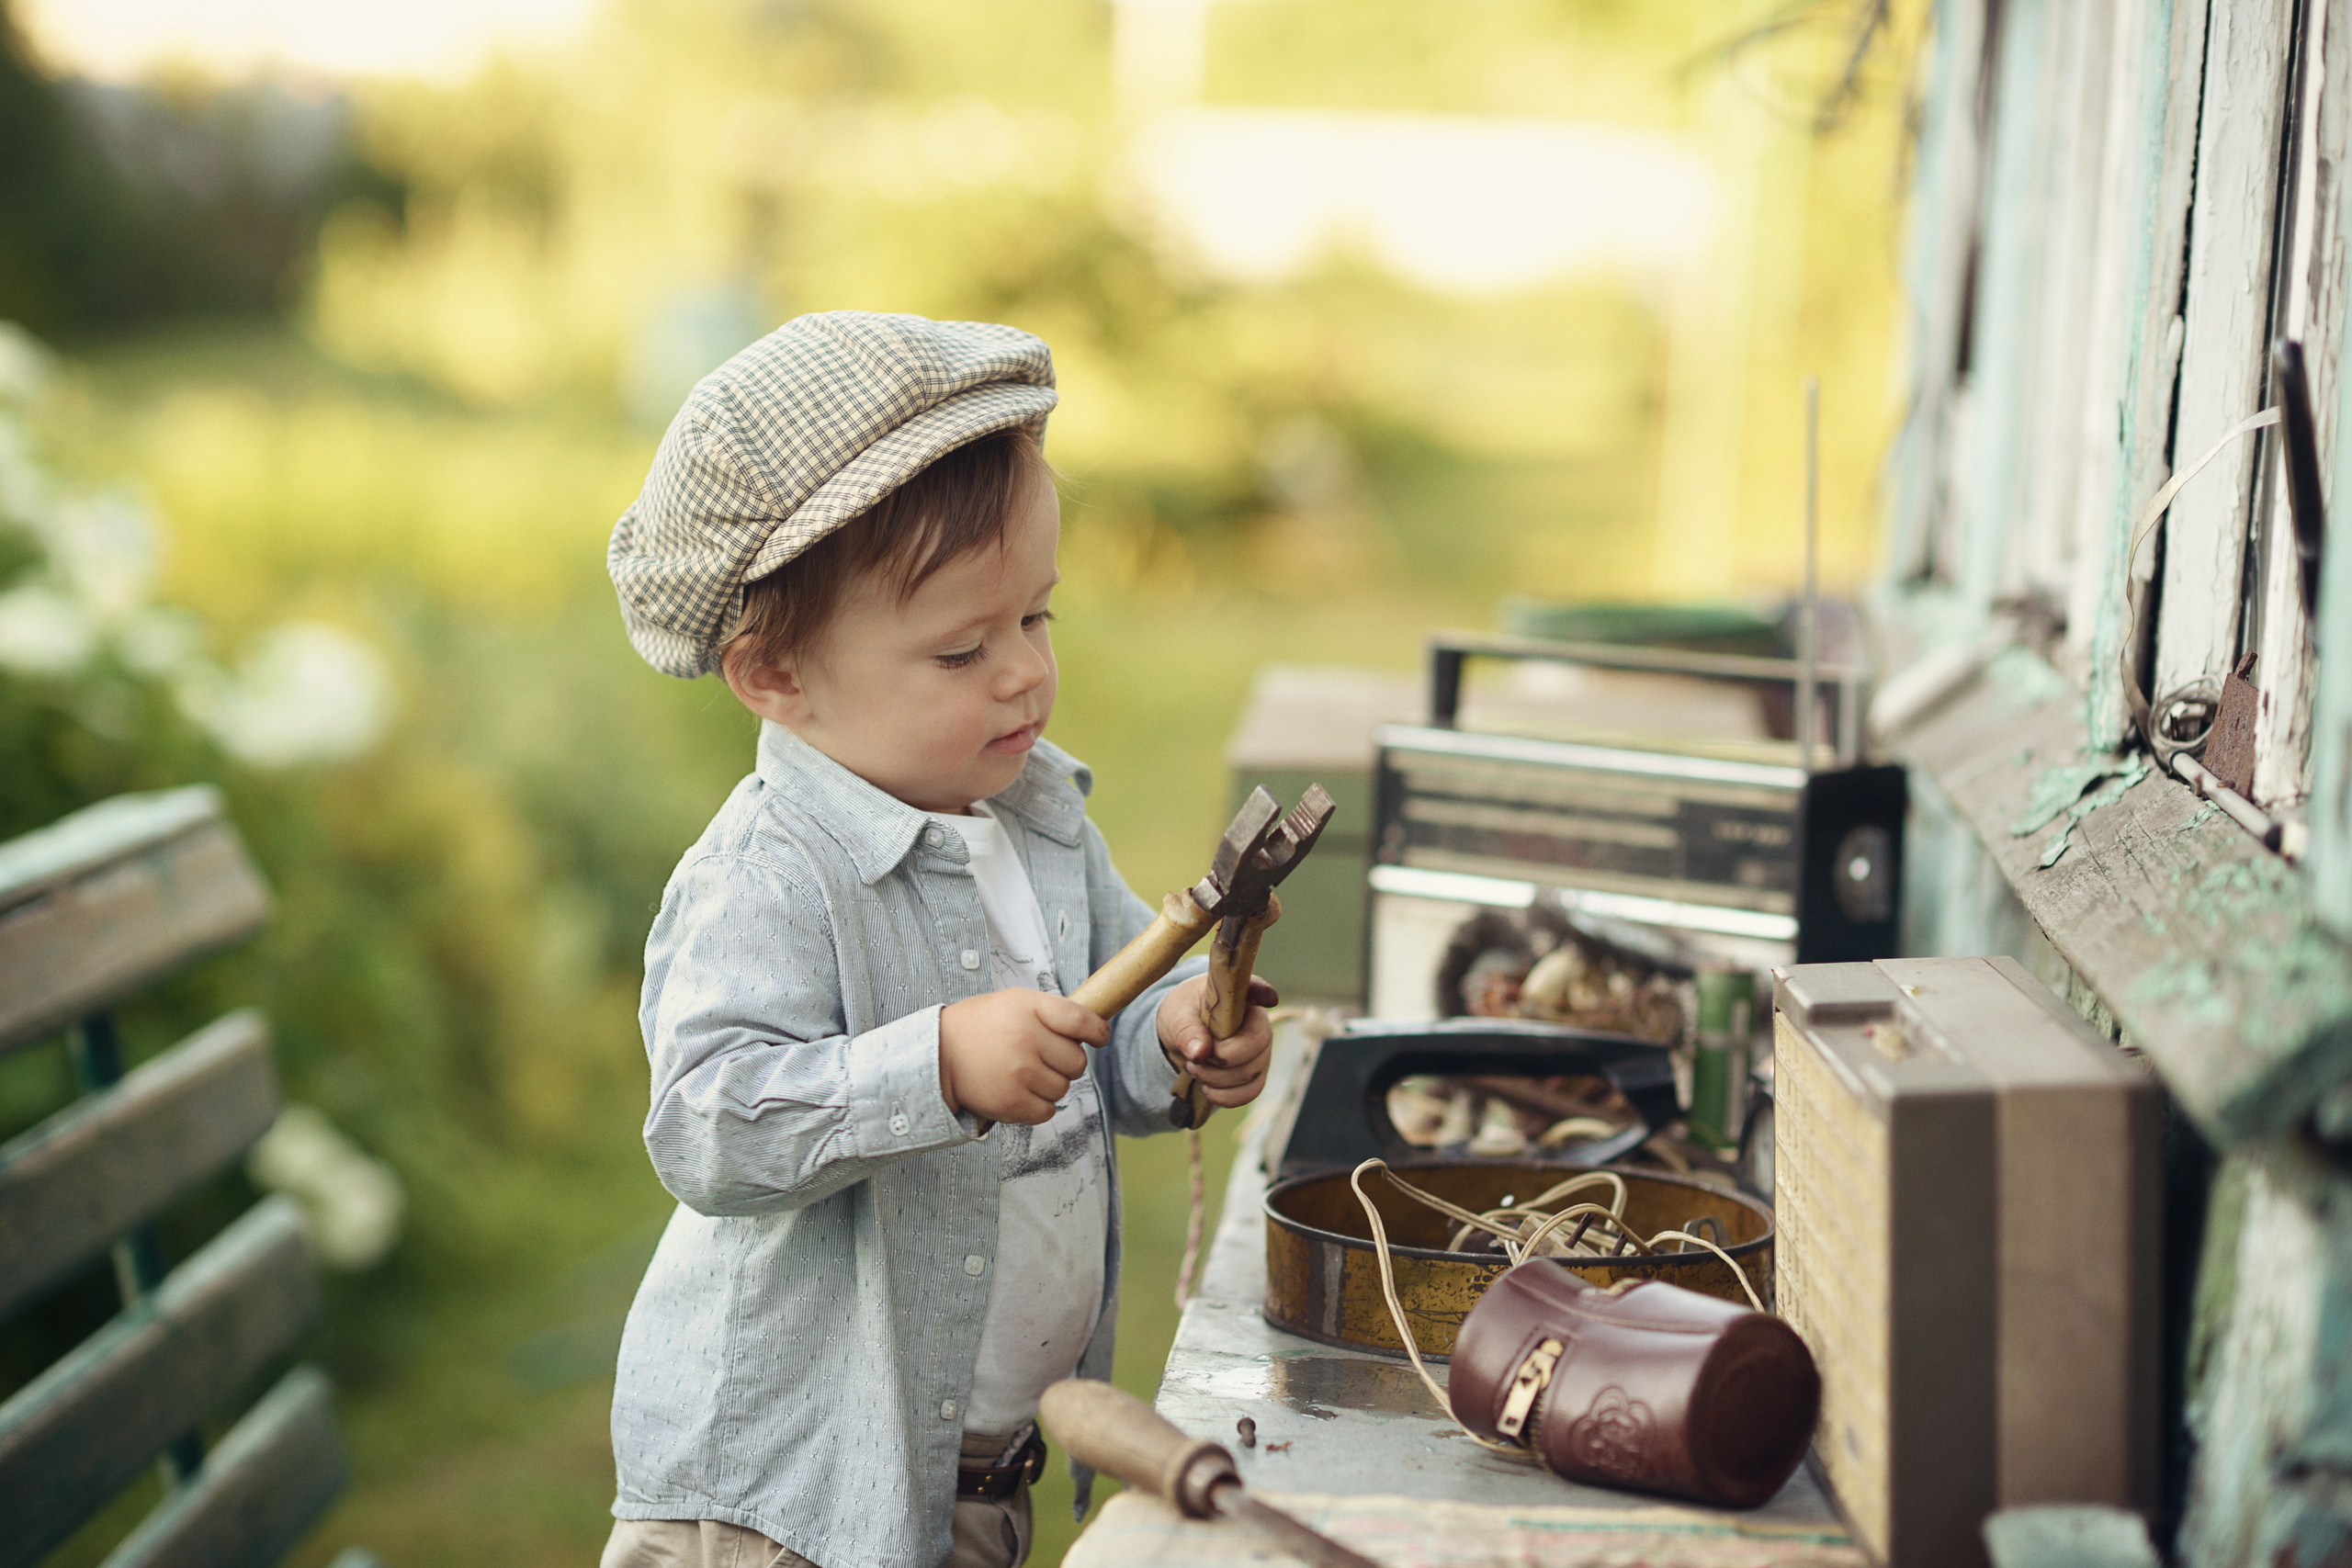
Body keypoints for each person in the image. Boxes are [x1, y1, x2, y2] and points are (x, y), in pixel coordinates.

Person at [597, 310, 1277, 1568]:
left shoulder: (1037, 821)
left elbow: (1116, 1021)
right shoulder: (774, 878)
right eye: (963, 646)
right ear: (776, 676)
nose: (1020, 675)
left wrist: (1182, 1033)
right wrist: (936, 1067)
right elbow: (707, 1122)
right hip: (791, 1499)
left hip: (973, 1479)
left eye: (1039, 621)